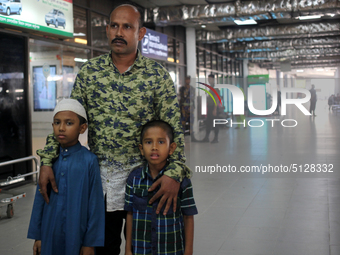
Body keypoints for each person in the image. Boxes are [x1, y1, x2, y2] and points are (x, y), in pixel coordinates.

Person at [36, 4, 191, 255]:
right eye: (114, 26)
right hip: (98, 183)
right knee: (103, 248)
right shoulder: (90, 73)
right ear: (107, 30)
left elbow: (173, 128)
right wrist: (47, 160)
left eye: (127, 26)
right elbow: (68, 119)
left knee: (142, 249)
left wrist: (173, 173)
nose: (119, 32)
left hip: (143, 183)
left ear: (140, 34)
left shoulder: (156, 76)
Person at [27, 99, 105, 255]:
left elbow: (95, 205)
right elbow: (40, 198)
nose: (61, 128)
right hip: (49, 233)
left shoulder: (89, 161)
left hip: (77, 234)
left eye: (69, 123)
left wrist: (90, 242)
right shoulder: (49, 162)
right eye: (57, 123)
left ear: (82, 128)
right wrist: (38, 236)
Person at [124, 120, 197, 255]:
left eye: (161, 142)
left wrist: (188, 251)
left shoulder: (181, 181)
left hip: (171, 250)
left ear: (171, 148)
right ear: (141, 148)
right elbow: (130, 214)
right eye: (148, 142)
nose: (154, 147)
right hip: (141, 250)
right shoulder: (134, 178)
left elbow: (188, 216)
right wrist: (128, 249)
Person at [202, 74, 222, 142]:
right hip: (210, 107)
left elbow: (216, 99)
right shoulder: (210, 88)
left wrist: (215, 109)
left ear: (213, 80)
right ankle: (206, 137)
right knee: (208, 122)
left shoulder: (215, 88)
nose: (209, 80)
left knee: (214, 123)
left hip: (214, 107)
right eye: (208, 79)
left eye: (210, 79)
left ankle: (216, 138)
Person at [179, 76, 197, 141]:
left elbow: (193, 98)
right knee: (183, 122)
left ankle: (192, 136)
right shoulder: (182, 89)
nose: (188, 81)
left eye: (189, 80)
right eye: (187, 79)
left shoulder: (192, 89)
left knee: (191, 123)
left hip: (190, 108)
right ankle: (181, 137)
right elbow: (182, 97)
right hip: (184, 108)